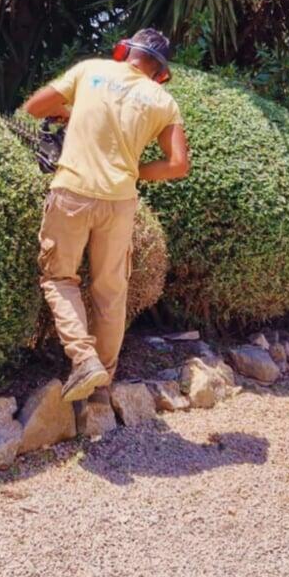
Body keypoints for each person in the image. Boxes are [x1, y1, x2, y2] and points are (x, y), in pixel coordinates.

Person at [20, 29, 191, 401]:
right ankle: (102, 385)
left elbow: (33, 108)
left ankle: (83, 359)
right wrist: (134, 171)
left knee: (59, 278)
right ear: (159, 72)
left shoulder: (90, 70)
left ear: (124, 51)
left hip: (72, 193)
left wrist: (70, 112)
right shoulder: (163, 100)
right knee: (110, 293)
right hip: (120, 204)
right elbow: (178, 165)